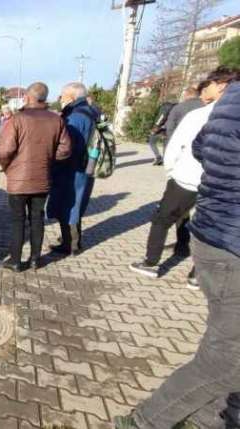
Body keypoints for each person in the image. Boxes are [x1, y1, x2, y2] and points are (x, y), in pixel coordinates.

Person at [114, 80, 240, 429]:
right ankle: (145, 422)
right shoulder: (206, 108)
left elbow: (197, 147)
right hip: (228, 235)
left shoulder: (221, 106)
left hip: (213, 221)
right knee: (228, 360)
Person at [127, 70, 238, 287]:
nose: (207, 88)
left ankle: (150, 262)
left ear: (222, 86)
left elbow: (175, 146)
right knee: (208, 226)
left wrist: (172, 172)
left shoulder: (199, 115)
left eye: (211, 84)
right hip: (224, 185)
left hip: (187, 178)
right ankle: (198, 275)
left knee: (162, 219)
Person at [0, 82, 72, 272]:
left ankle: (15, 261)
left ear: (28, 97)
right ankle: (35, 260)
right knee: (37, 218)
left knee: (17, 220)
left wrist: (8, 168)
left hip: (18, 180)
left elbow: (5, 150)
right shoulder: (57, 120)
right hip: (42, 178)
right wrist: (47, 160)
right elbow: (65, 149)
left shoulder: (17, 119)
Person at [46, 82, 98, 256]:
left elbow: (69, 146)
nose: (61, 98)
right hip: (82, 167)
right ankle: (70, 239)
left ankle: (71, 244)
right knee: (74, 204)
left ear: (73, 96)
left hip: (72, 169)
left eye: (63, 94)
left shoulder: (76, 116)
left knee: (69, 205)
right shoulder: (88, 110)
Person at [147, 101, 176, 165]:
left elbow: (161, 118)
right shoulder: (176, 107)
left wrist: (155, 128)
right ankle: (165, 159)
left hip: (162, 128)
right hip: (171, 128)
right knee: (166, 143)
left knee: (152, 141)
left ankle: (158, 158)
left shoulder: (166, 107)